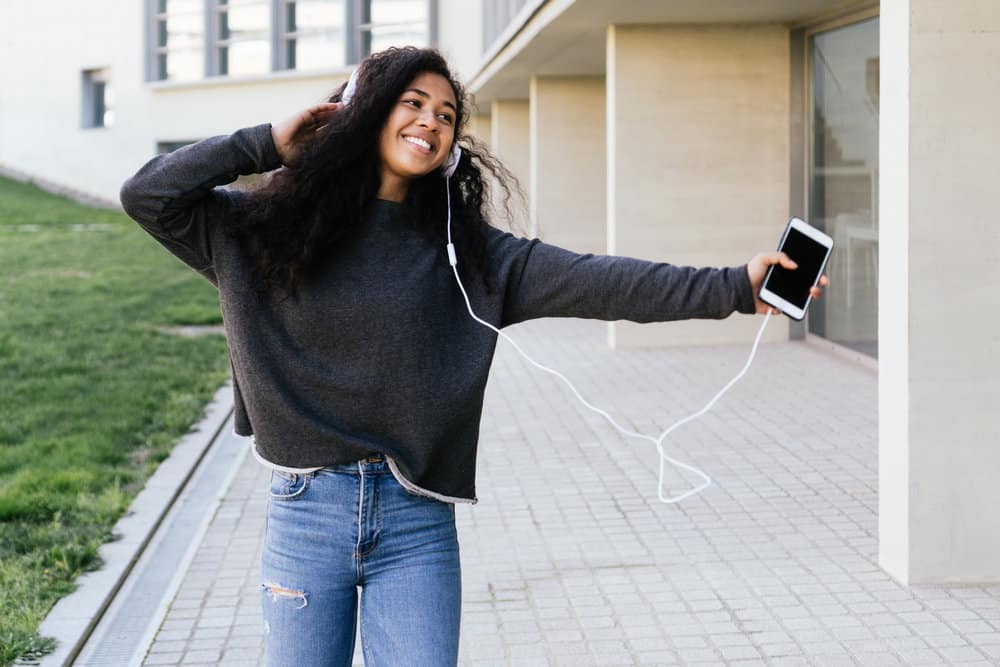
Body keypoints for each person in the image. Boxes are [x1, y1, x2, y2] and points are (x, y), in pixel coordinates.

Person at [121, 46, 826, 667]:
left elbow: (603, 278)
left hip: (417, 522)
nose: (431, 120)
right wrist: (267, 141)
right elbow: (147, 194)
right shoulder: (261, 228)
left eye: (447, 114)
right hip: (305, 514)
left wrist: (737, 286)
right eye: (412, 103)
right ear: (360, 113)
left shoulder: (473, 260)